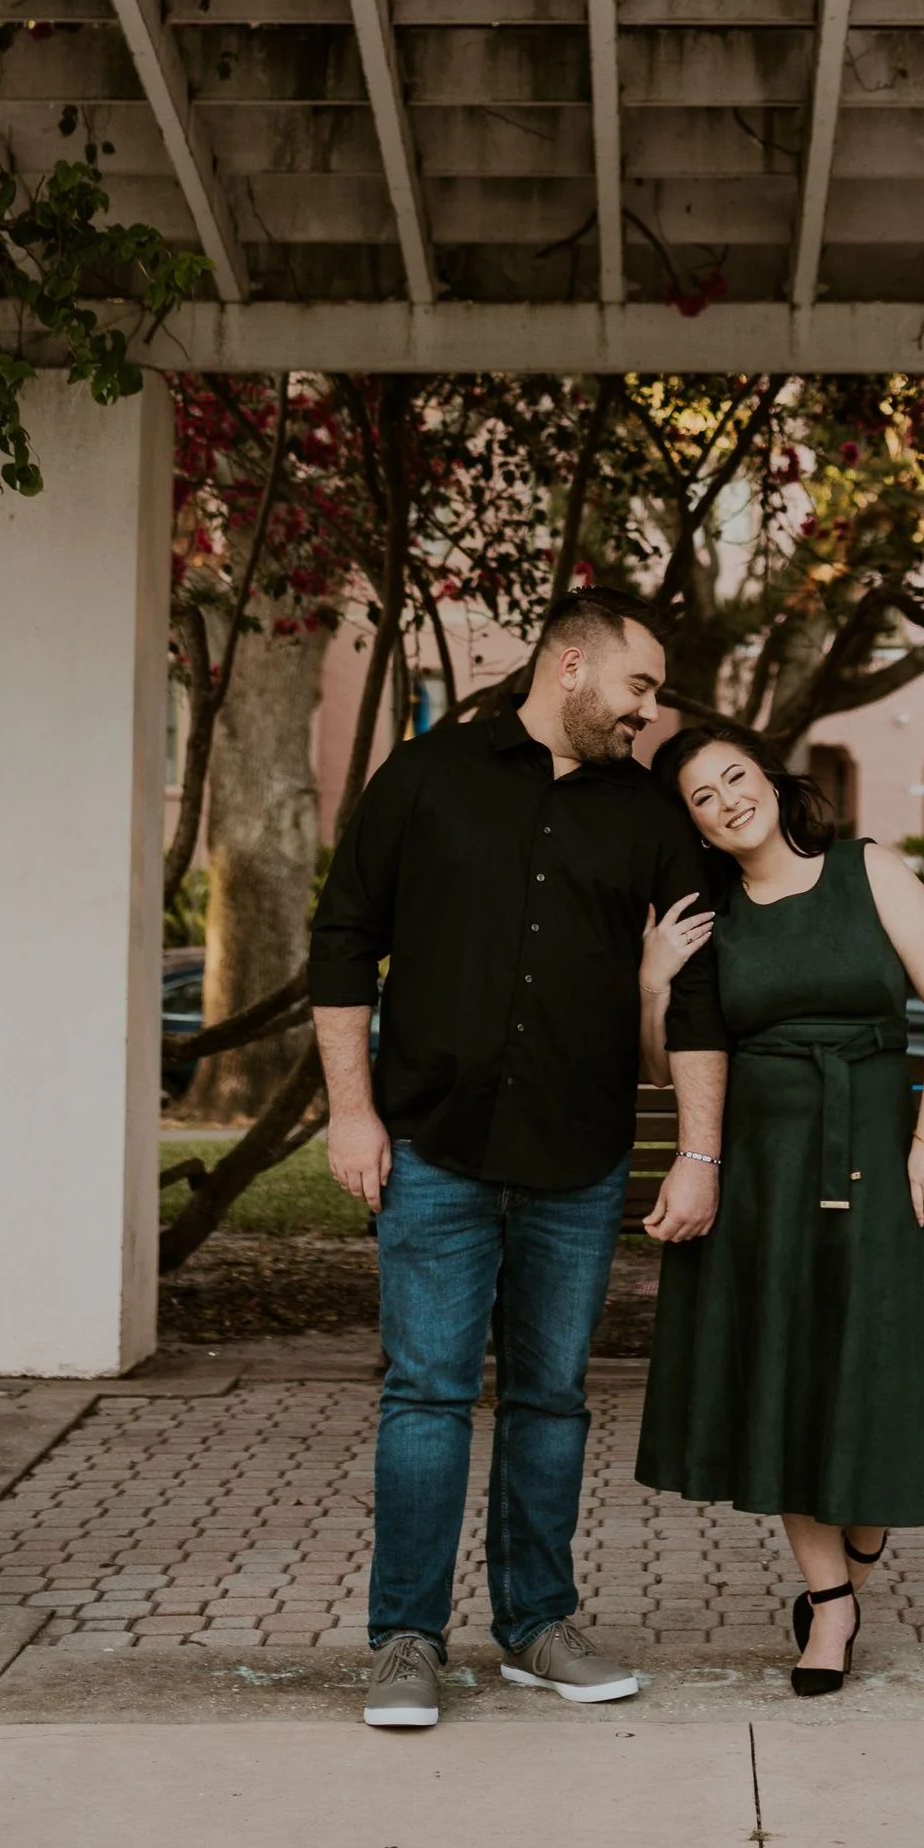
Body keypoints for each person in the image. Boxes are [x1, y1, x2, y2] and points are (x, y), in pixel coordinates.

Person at [309, 586, 728, 1732]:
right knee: (428, 1396)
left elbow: (695, 995)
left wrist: (699, 1151)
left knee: (550, 1401)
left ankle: (539, 1625)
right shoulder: (426, 777)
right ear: (570, 666)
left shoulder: (646, 817)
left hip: (578, 1155)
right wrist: (353, 1113)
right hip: (435, 1143)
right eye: (638, 686)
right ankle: (406, 1639)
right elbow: (344, 940)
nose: (648, 711)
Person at [635, 724, 924, 1696]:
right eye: (703, 795)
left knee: (872, 1369)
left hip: (876, 1154)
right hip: (764, 1172)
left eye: (735, 776)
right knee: (787, 1374)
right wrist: (653, 980)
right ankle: (828, 1610)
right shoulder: (706, 919)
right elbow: (665, 1068)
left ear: (771, 781)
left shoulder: (871, 872)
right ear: (692, 821)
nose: (727, 799)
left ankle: (855, 1556)